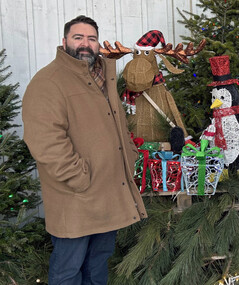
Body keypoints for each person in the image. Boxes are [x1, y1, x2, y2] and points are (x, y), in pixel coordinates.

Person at [22, 15, 147, 285]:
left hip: (109, 191)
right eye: (78, 37)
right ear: (64, 41)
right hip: (75, 196)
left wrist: (129, 156)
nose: (85, 44)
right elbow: (45, 141)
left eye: (91, 38)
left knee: (97, 265)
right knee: (68, 269)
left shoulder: (104, 76)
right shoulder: (48, 82)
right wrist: (79, 177)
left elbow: (117, 123)